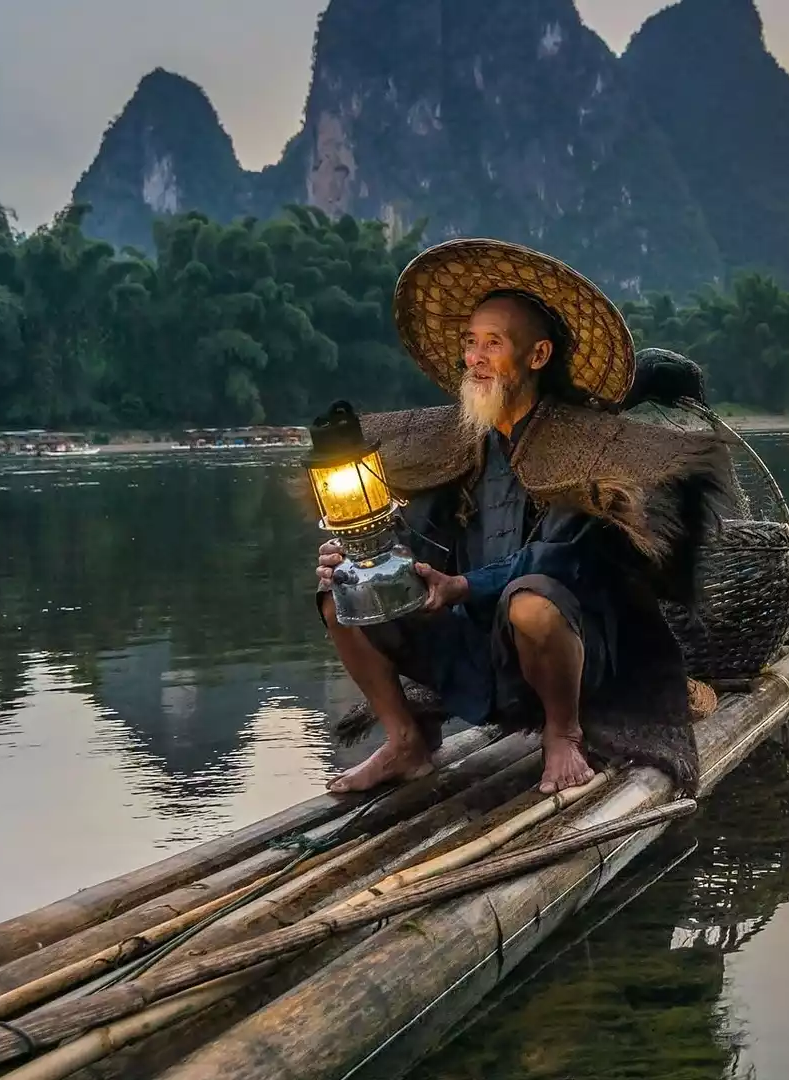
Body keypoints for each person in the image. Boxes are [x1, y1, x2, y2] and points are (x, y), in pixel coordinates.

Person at [314, 238, 735, 796]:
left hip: (569, 646)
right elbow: (423, 544)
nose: (475, 357)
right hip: (478, 645)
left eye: (493, 343)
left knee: (531, 599)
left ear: (536, 357)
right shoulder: (461, 444)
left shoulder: (585, 449)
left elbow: (564, 560)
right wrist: (366, 557)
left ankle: (563, 733)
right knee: (342, 595)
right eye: (470, 343)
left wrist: (464, 585)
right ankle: (406, 741)